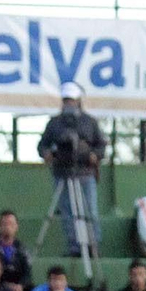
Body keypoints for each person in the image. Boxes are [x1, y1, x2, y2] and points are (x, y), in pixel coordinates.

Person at [37, 82, 105, 254]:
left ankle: (92, 246)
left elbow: (101, 146)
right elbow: (42, 145)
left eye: (72, 100)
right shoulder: (54, 123)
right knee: (67, 213)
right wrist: (47, 153)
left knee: (90, 210)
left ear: (78, 101)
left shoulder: (90, 122)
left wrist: (94, 155)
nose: (69, 104)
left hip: (85, 172)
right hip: (62, 173)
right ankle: (74, 246)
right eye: (66, 100)